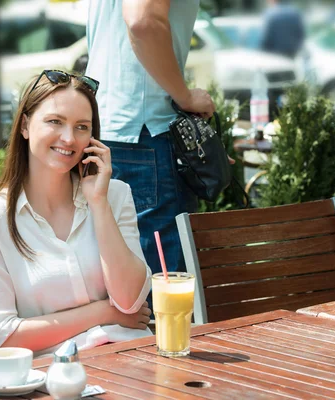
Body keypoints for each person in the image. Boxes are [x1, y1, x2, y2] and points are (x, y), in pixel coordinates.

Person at [0, 70, 152, 357]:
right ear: (25, 125)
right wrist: (104, 312)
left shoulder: (114, 195)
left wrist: (99, 203)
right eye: (55, 122)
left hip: (133, 357)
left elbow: (129, 302)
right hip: (56, 373)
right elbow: (2, 336)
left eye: (82, 127)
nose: (69, 139)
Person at [85, 0, 216, 296]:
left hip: (106, 127)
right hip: (145, 133)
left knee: (116, 286)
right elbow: (142, 21)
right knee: (164, 296)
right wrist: (184, 97)